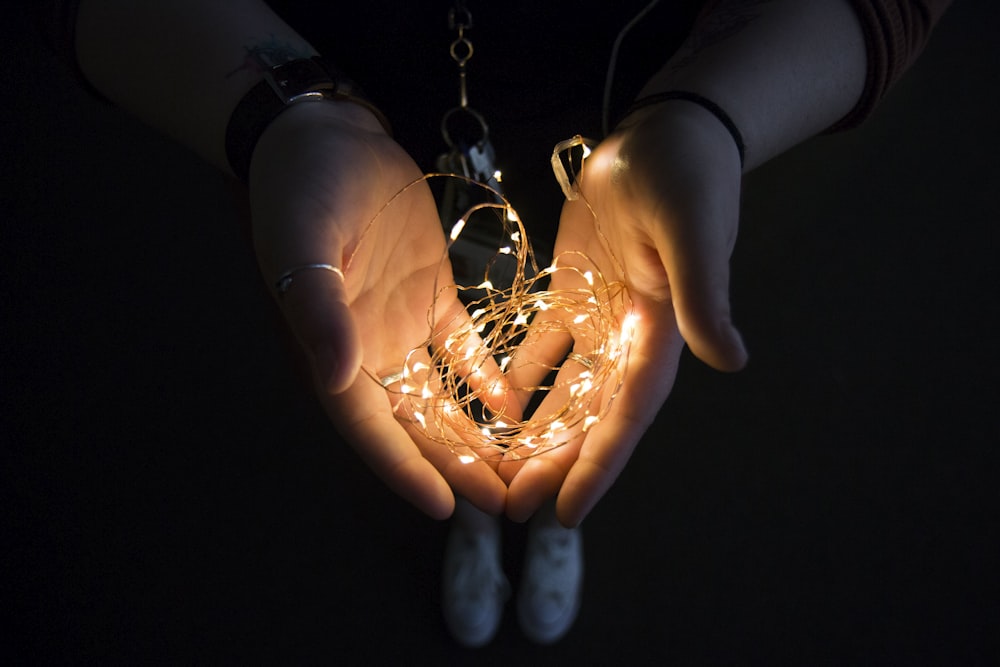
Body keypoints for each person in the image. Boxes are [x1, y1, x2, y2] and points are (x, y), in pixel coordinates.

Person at [49, 0, 950, 648]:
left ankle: (554, 496)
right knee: (394, 342)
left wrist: (710, 110)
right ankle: (482, 494)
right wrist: (274, 118)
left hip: (622, 112)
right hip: (352, 152)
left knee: (589, 354)